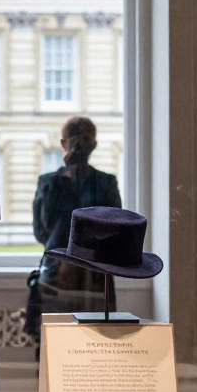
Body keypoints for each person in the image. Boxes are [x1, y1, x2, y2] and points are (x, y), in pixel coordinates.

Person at [31, 116, 123, 323]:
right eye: (76, 140)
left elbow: (116, 230)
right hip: (64, 273)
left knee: (93, 338)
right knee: (58, 339)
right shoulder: (50, 183)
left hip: (94, 276)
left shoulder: (104, 182)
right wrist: (64, 178)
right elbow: (42, 230)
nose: (79, 145)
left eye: (83, 140)